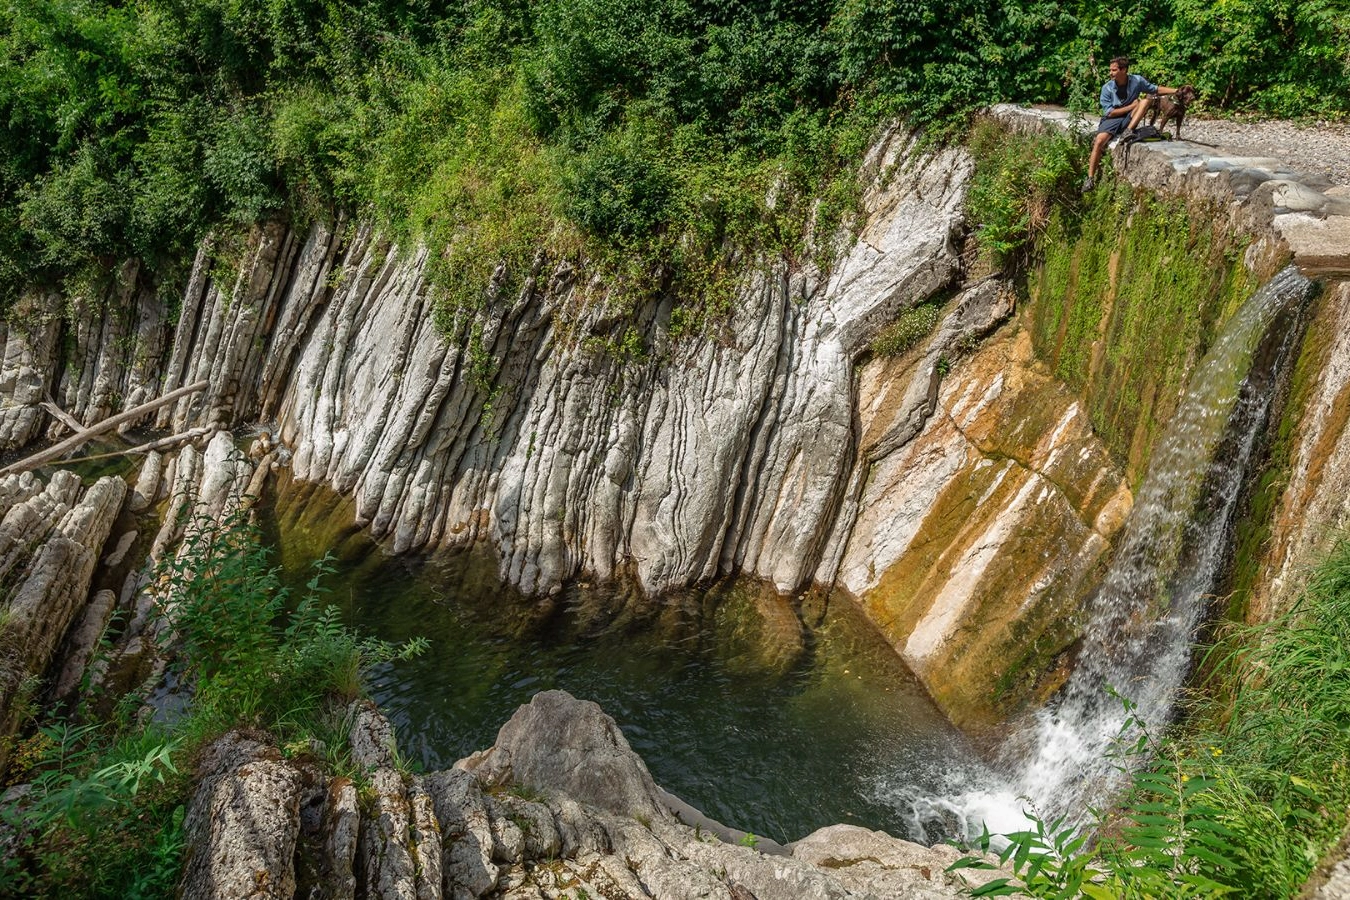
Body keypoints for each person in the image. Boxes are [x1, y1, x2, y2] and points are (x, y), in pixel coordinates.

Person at [1083, 57, 1179, 191]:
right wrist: (1132, 106)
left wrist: (1176, 90)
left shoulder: (1137, 80)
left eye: (1114, 70)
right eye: (1110, 70)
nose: (1110, 73)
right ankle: (1090, 179)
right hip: (1112, 119)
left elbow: (1154, 89)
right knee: (1099, 141)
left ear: (1124, 70)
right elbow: (1109, 113)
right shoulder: (1107, 88)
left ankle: (1128, 131)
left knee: (1145, 102)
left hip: (1129, 118)